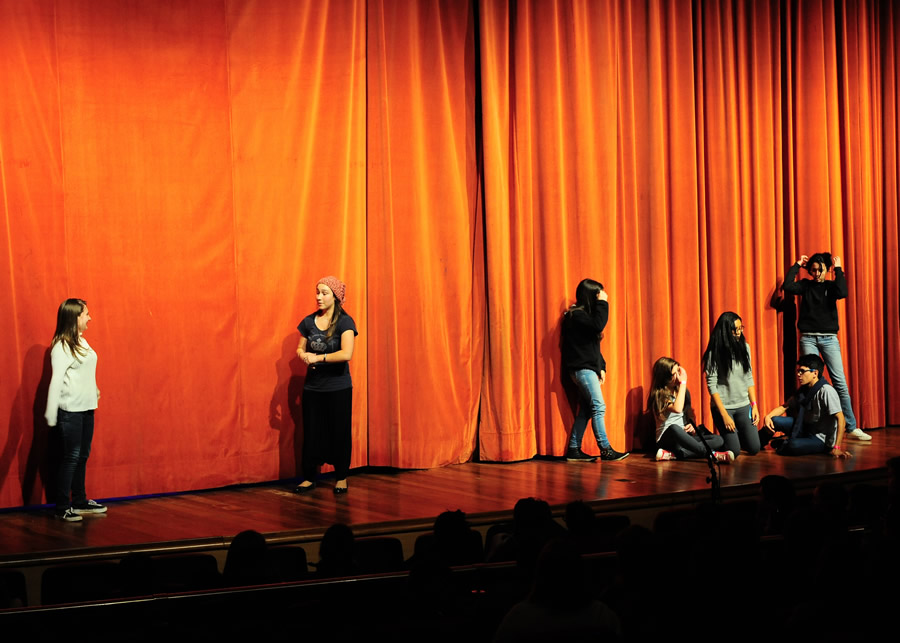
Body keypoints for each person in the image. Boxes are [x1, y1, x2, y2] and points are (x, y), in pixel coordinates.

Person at [783, 252, 870, 441]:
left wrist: (838, 269)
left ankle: (851, 426)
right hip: (808, 338)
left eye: (820, 270)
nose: (816, 274)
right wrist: (797, 265)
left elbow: (843, 292)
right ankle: (813, 426)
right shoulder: (806, 286)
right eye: (813, 270)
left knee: (840, 382)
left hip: (829, 339)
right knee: (811, 383)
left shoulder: (831, 287)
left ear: (826, 270)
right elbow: (787, 285)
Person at [294, 276, 358, 495]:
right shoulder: (308, 321)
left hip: (338, 388)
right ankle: (309, 477)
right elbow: (300, 347)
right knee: (312, 431)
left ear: (335, 297)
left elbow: (346, 353)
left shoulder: (345, 322)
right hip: (313, 388)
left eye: (324, 293)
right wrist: (303, 355)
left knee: (339, 431)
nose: (318, 297)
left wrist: (318, 358)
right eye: (317, 292)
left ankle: (341, 477)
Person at [45, 298, 106, 521]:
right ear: (75, 317)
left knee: (82, 456)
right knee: (71, 456)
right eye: (86, 314)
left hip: (87, 408)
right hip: (70, 410)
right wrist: (52, 413)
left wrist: (94, 390)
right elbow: (56, 381)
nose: (90, 318)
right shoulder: (62, 346)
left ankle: (79, 501)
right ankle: (62, 507)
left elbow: (84, 372)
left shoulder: (83, 342)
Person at [560, 279, 628, 462]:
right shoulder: (576, 316)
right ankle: (605, 450)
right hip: (582, 370)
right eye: (599, 294)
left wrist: (601, 367)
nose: (603, 297)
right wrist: (603, 303)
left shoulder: (584, 318)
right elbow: (599, 325)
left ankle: (574, 449)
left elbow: (592, 348)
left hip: (587, 369)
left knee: (587, 409)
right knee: (598, 406)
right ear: (592, 296)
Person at [760, 354, 852, 458]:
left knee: (793, 445)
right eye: (798, 371)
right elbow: (784, 407)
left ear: (815, 373)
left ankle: (785, 443)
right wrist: (768, 417)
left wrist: (837, 447)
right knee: (774, 420)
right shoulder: (804, 389)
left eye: (802, 371)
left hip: (820, 438)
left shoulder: (826, 391)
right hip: (805, 428)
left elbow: (841, 419)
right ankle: (756, 444)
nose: (798, 374)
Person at [648, 357, 732, 463]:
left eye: (678, 372)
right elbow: (677, 409)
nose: (678, 376)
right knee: (674, 428)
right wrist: (683, 383)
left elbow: (687, 414)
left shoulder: (682, 391)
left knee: (718, 440)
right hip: (667, 440)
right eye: (674, 374)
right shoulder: (660, 395)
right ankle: (712, 455)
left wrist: (691, 426)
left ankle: (673, 455)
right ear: (665, 377)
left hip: (683, 439)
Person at [702, 312, 760, 459]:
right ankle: (707, 440)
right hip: (725, 408)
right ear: (726, 331)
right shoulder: (714, 353)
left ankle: (735, 437)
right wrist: (724, 415)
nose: (739, 332)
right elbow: (712, 386)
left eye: (741, 328)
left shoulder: (745, 348)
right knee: (734, 451)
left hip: (743, 405)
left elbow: (748, 377)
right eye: (736, 329)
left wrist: (754, 405)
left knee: (754, 448)